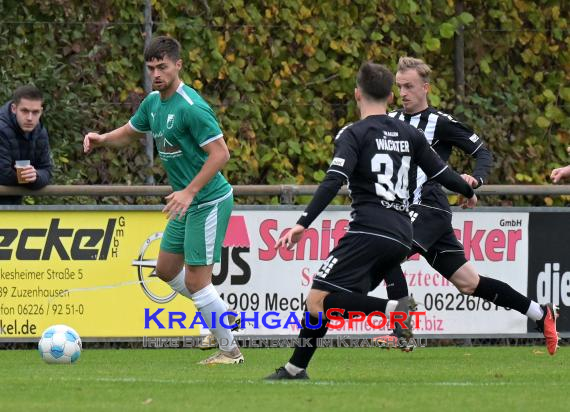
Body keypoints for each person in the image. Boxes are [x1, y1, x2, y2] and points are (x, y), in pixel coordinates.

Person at [266, 62, 477, 380]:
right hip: (402, 235)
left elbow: (334, 180)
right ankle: (296, 368)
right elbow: (441, 172)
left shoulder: (353, 134)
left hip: (368, 230)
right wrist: (468, 190)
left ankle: (393, 310)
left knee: (316, 300)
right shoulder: (411, 134)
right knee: (326, 298)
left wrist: (302, 223)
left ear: (356, 94)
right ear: (391, 96)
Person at [374, 56, 559, 354]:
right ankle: (541, 313)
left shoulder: (440, 123)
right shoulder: (391, 121)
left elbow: (482, 152)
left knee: (386, 253)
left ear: (426, 88)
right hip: (407, 211)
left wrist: (475, 181)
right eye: (399, 87)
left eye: (409, 86)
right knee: (469, 283)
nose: (404, 92)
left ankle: (401, 331)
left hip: (429, 208)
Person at [83, 36, 243, 365]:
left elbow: (221, 154)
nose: (156, 73)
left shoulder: (191, 106)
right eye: (151, 68)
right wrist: (102, 139)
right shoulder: (154, 103)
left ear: (178, 65)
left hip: (208, 200)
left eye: (162, 67)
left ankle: (230, 351)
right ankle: (220, 315)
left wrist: (189, 191)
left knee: (199, 281)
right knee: (166, 270)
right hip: (185, 202)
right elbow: (130, 131)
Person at [0, 85, 53, 204]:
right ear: (14, 108)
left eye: (35, 112)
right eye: (25, 111)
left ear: (41, 111)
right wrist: (27, 178)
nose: (30, 118)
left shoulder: (40, 131)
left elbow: (47, 170)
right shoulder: (1, 128)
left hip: (12, 204)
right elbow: (2, 175)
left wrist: (35, 176)